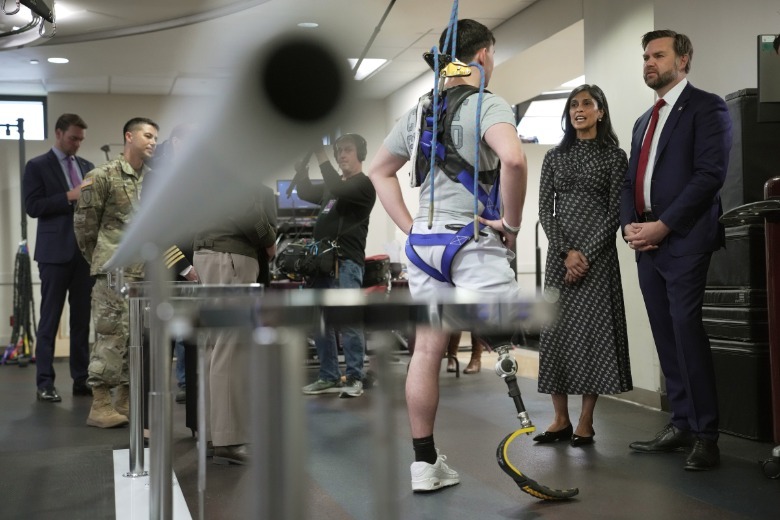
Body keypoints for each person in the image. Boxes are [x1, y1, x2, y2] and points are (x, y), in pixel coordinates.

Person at [369, 19, 527, 492]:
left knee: (427, 349)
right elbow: (515, 161)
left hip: (424, 249)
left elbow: (379, 171)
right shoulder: (488, 103)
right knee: (521, 324)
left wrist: (410, 227)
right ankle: (547, 416)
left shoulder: (418, 112)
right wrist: (513, 226)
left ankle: (424, 464)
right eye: (492, 56)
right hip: (472, 240)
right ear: (482, 56)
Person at [620, 30, 732, 471]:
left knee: (686, 331)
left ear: (683, 60)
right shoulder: (642, 122)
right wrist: (631, 225)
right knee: (665, 335)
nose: (649, 62)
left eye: (658, 55)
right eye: (645, 56)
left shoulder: (708, 107)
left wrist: (663, 226)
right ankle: (681, 422)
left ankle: (706, 435)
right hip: (647, 244)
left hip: (683, 239)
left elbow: (709, 176)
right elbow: (631, 180)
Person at [534, 85, 632, 448]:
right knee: (556, 332)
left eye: (587, 104)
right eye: (573, 104)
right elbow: (546, 210)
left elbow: (614, 213)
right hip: (561, 258)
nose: (579, 109)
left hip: (599, 257)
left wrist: (586, 254)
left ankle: (586, 422)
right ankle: (560, 419)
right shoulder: (553, 158)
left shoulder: (614, 157)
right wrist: (566, 253)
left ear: (600, 112)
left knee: (594, 336)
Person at [74, 117, 159, 428]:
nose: (152, 142)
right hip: (114, 270)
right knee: (111, 335)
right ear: (128, 136)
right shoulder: (102, 176)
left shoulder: (152, 180)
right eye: (147, 135)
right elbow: (85, 228)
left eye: (155, 138)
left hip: (143, 272)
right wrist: (102, 260)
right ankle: (99, 405)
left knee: (135, 337)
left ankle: (124, 401)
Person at [192, 187, 277, 465]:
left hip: (207, 253)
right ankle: (229, 439)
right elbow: (246, 207)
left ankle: (211, 434)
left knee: (213, 345)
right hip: (230, 256)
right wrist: (269, 238)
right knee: (232, 346)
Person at [297, 134, 377, 399]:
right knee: (320, 321)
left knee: (349, 321)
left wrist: (320, 155)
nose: (341, 155)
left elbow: (336, 186)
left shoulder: (364, 185)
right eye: (338, 151)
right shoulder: (333, 188)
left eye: (347, 150)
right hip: (321, 262)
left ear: (360, 154)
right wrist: (301, 169)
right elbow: (305, 191)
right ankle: (328, 376)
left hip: (346, 262)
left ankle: (355, 376)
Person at [23, 113, 95, 402]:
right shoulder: (37, 166)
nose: (77, 144)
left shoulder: (88, 167)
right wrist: (69, 196)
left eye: (80, 139)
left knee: (81, 320)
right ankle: (44, 382)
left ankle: (81, 378)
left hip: (84, 254)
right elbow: (33, 206)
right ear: (58, 133)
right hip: (54, 255)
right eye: (72, 138)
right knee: (50, 320)